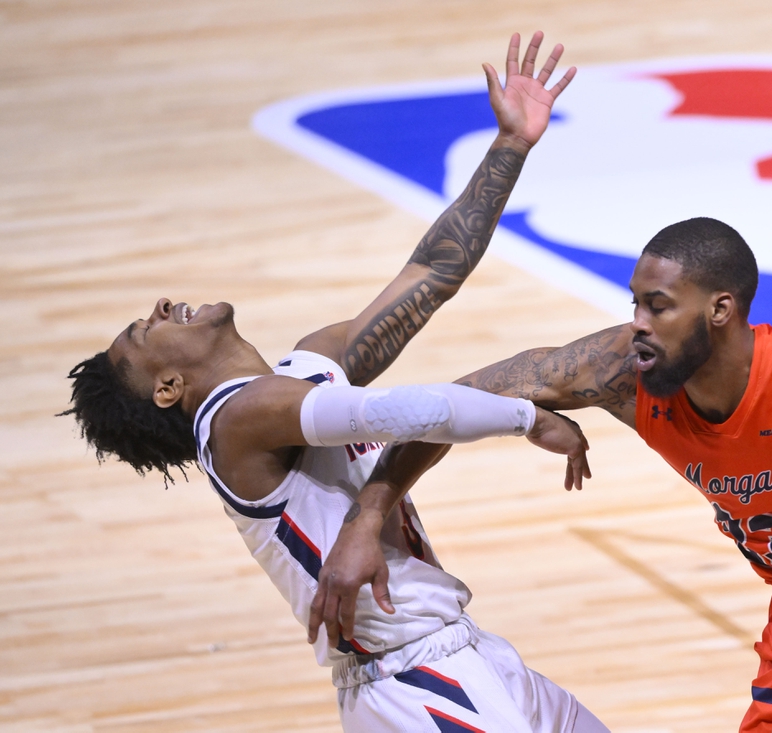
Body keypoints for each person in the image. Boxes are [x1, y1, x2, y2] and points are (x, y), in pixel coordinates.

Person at [63, 33, 610, 733]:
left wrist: (511, 145)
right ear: (168, 387)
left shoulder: (302, 367)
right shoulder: (235, 422)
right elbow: (417, 409)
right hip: (412, 682)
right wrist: (528, 418)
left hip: (461, 655)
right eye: (147, 329)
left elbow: (430, 276)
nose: (164, 305)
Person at [313, 217, 772, 732]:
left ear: (721, 309)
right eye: (635, 302)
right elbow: (448, 404)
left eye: (658, 305)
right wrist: (367, 518)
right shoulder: (620, 371)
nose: (638, 323)